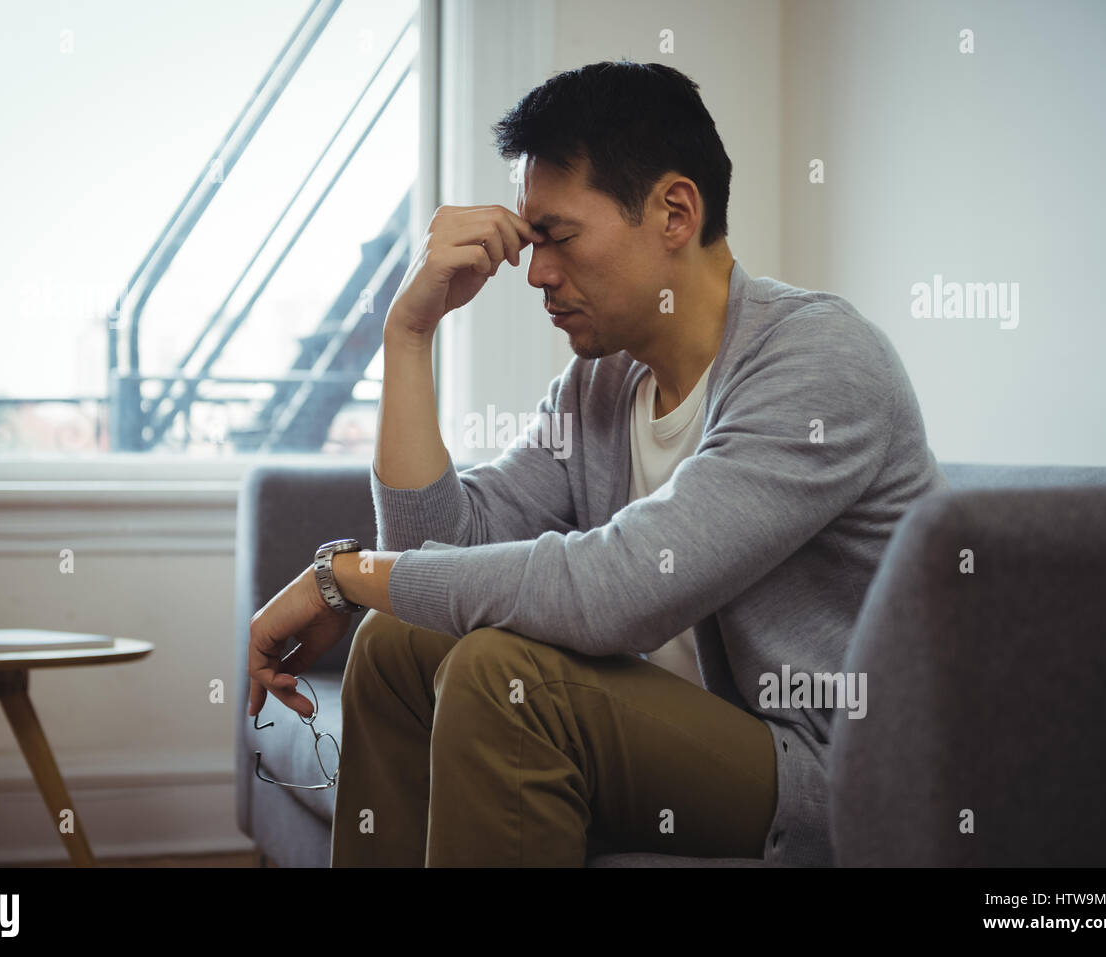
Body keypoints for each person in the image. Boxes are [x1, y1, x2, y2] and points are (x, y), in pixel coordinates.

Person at [247, 60, 947, 867]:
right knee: (397, 645)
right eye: (530, 239)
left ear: (675, 212)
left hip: (829, 775)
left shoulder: (820, 360)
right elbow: (434, 549)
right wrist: (408, 335)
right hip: (675, 741)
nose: (537, 272)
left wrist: (344, 575)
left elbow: (617, 589)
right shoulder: (603, 384)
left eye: (559, 237)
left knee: (504, 677)